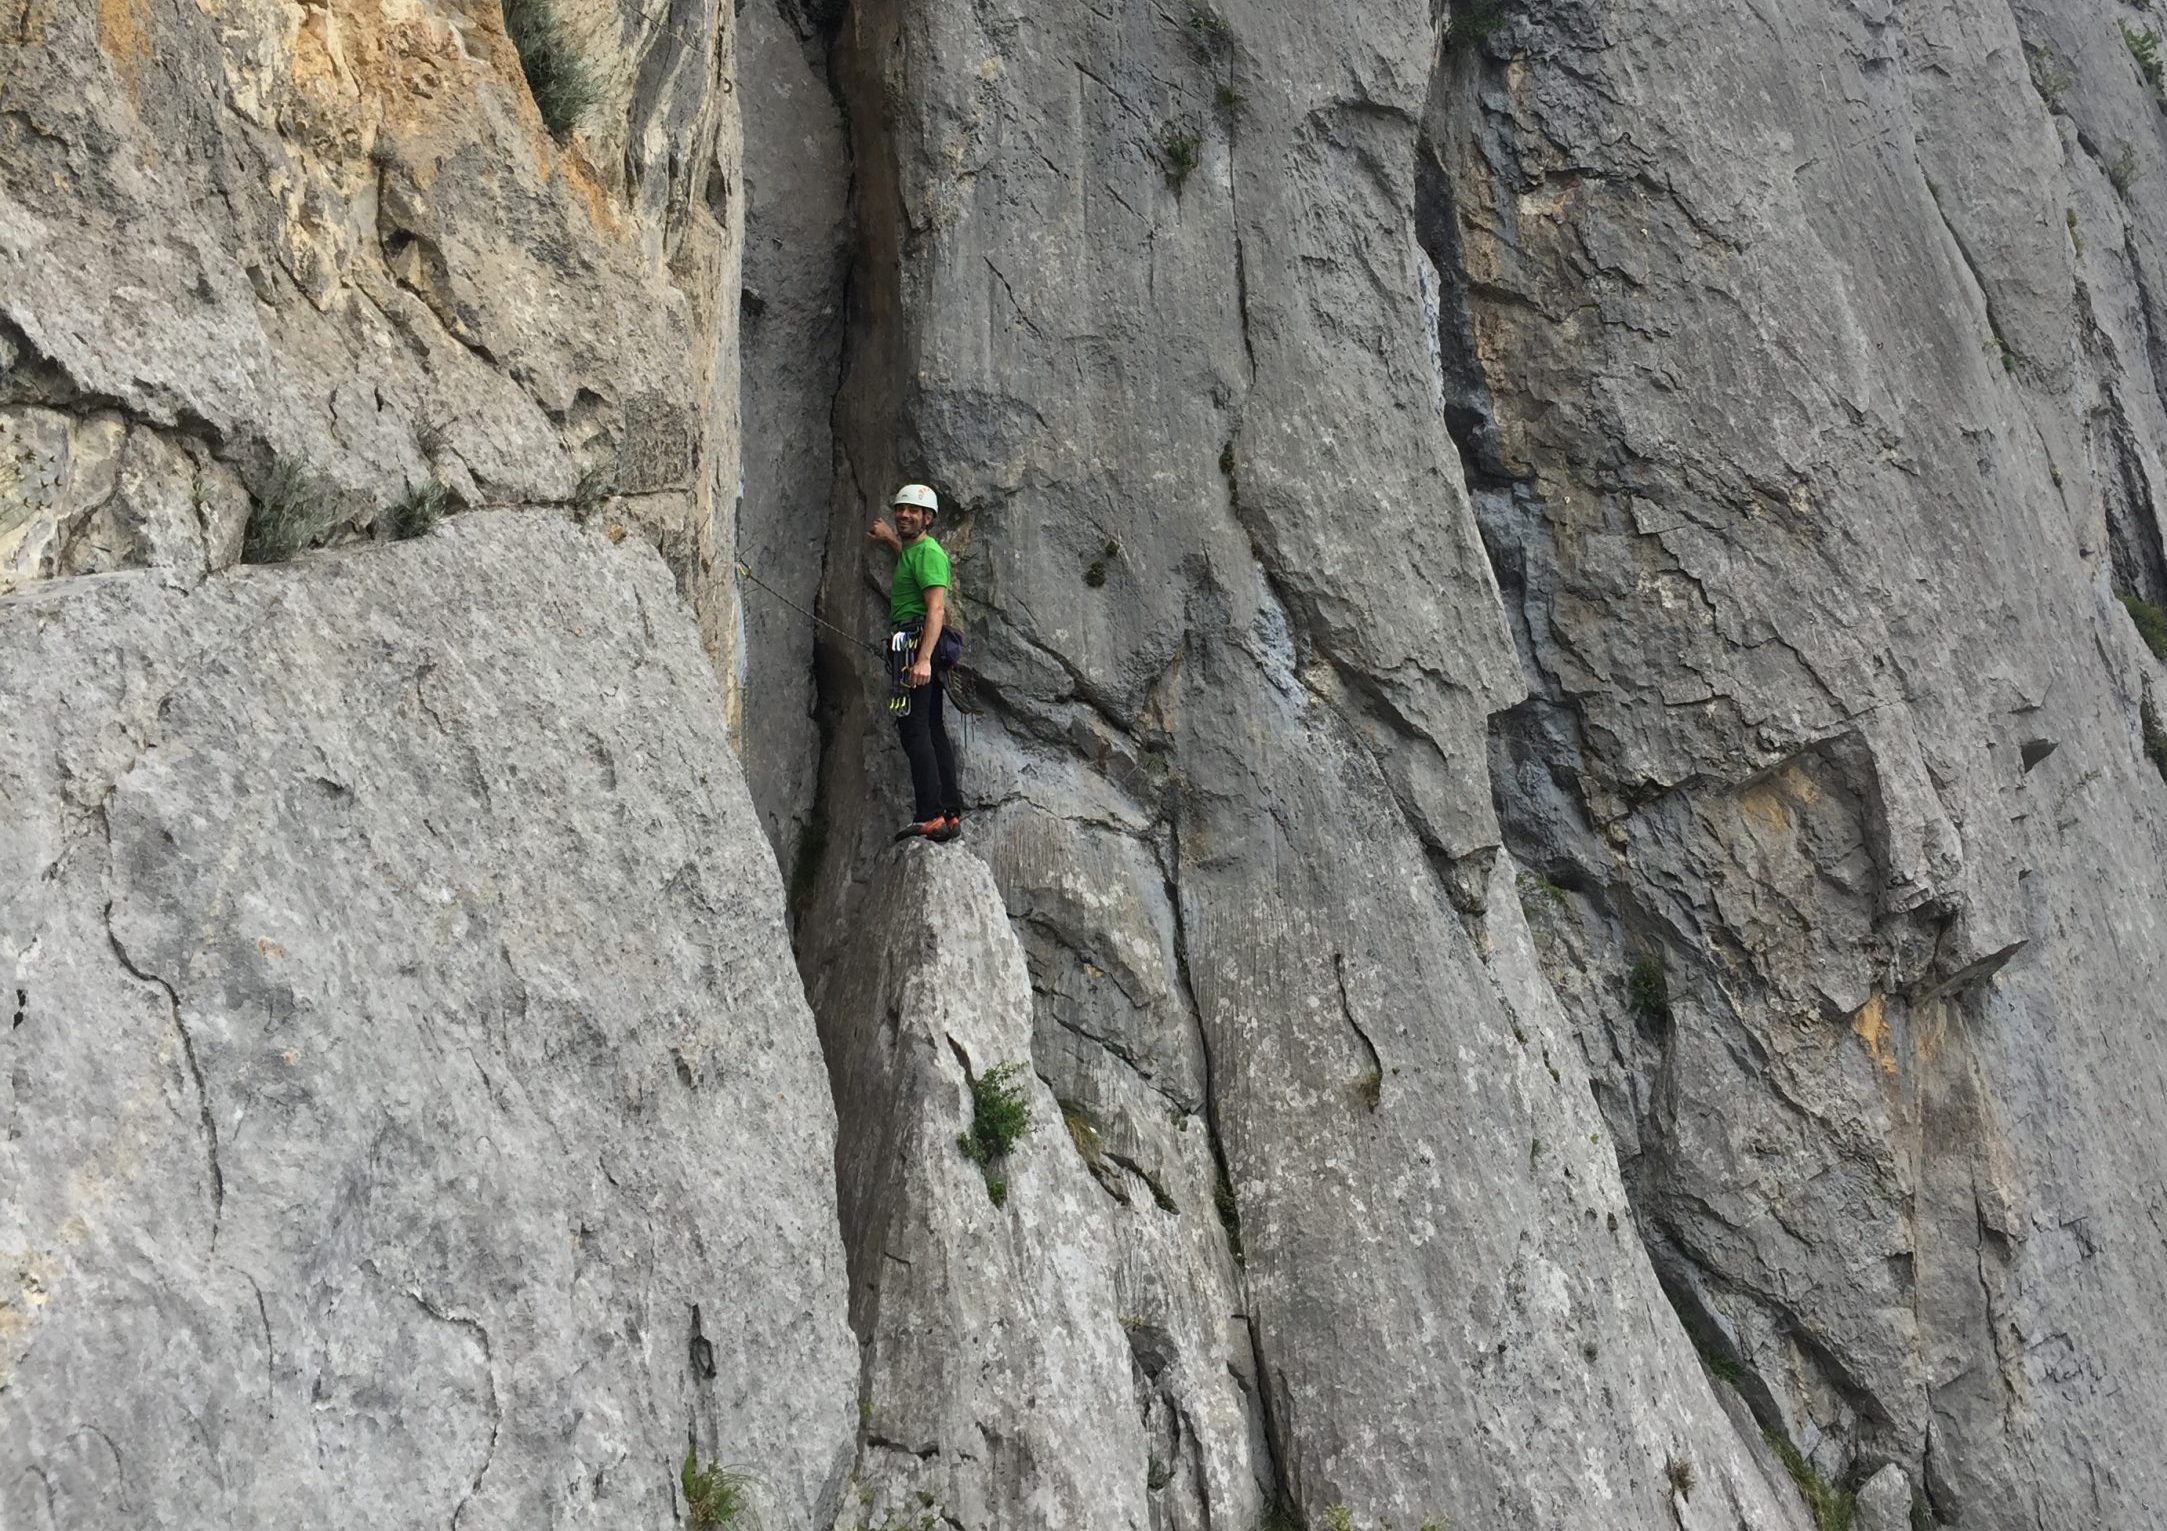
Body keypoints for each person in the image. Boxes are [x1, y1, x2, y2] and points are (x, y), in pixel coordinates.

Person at [869, 483, 963, 841]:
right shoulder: (914, 551)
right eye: (900, 508)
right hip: (912, 642)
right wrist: (890, 539)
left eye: (913, 511)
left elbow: (935, 607)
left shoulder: (929, 554)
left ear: (929, 518)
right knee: (932, 727)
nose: (904, 514)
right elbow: (909, 560)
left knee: (914, 730)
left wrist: (923, 659)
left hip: (915, 643)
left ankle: (931, 814)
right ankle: (949, 813)